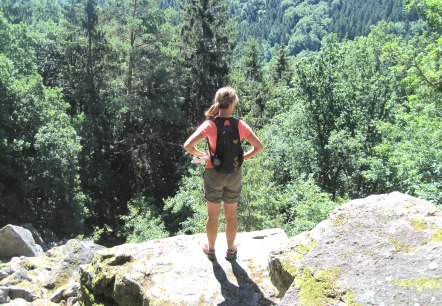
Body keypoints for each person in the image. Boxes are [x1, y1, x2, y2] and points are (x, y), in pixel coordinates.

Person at [183, 86, 264, 260]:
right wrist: (243, 156)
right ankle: (231, 250)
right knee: (231, 215)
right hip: (234, 173)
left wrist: (204, 155)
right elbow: (259, 147)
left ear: (217, 103)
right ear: (233, 104)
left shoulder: (209, 125)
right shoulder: (240, 125)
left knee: (213, 216)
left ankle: (211, 250)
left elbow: (187, 146)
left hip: (213, 173)